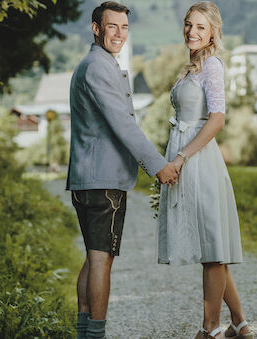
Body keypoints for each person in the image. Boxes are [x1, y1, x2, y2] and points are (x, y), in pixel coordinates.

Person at [66, 2, 179, 338]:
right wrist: (159, 167)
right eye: (111, 26)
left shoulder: (93, 64)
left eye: (124, 27)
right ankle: (96, 334)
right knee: (101, 260)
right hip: (104, 182)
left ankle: (84, 332)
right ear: (95, 28)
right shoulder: (98, 67)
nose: (118, 34)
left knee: (92, 257)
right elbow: (124, 126)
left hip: (88, 179)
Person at [156, 2, 253, 339]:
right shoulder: (190, 67)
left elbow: (217, 119)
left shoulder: (212, 65)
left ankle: (208, 329)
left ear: (213, 32)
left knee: (212, 249)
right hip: (185, 157)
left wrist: (181, 157)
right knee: (211, 249)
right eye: (188, 25)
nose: (191, 32)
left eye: (200, 26)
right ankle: (240, 325)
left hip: (199, 161)